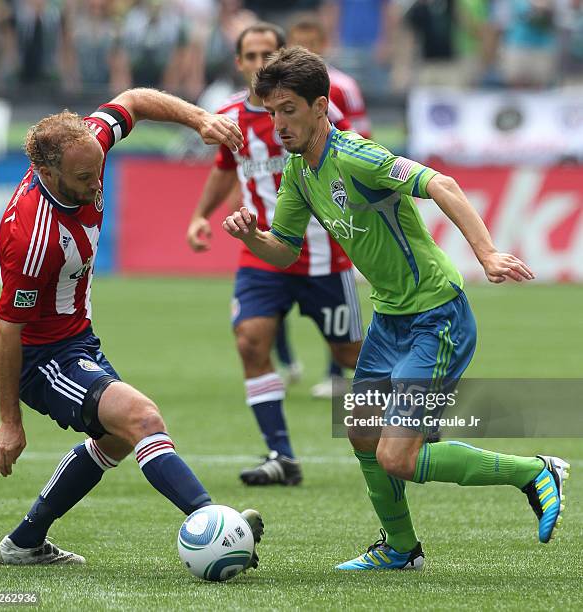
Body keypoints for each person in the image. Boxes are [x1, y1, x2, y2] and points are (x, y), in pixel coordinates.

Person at [223, 46, 569, 569]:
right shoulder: (298, 173)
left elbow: (443, 184)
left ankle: (534, 471)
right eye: (271, 112)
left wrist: (487, 252)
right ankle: (401, 549)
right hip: (388, 321)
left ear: (321, 107)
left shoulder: (358, 155)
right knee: (362, 431)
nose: (278, 124)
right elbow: (286, 248)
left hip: (437, 316)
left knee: (396, 456)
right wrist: (253, 237)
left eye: (289, 109)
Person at [0, 87, 263, 565]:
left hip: (77, 338)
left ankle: (25, 542)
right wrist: (11, 422)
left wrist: (200, 119)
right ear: (48, 173)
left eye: (98, 168)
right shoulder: (31, 235)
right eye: (82, 176)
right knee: (142, 420)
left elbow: (133, 99)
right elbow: (9, 329)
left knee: (114, 437)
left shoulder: (84, 143)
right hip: (41, 355)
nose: (97, 182)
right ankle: (217, 522)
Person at [186, 24, 363, 487]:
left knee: (352, 353)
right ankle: (281, 455)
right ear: (240, 62)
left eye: (269, 52)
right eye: (251, 54)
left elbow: (351, 155)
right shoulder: (227, 118)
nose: (259, 61)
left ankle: (409, 421)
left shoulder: (318, 111)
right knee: (250, 341)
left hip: (323, 255)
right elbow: (225, 169)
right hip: (263, 252)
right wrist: (200, 215)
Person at [286, 16, 372, 398]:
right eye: (298, 43)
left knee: (336, 292)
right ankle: (287, 363)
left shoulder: (345, 87)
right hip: (296, 191)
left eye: (311, 43)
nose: (306, 49)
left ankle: (338, 370)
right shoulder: (283, 91)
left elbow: (362, 137)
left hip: (334, 192)